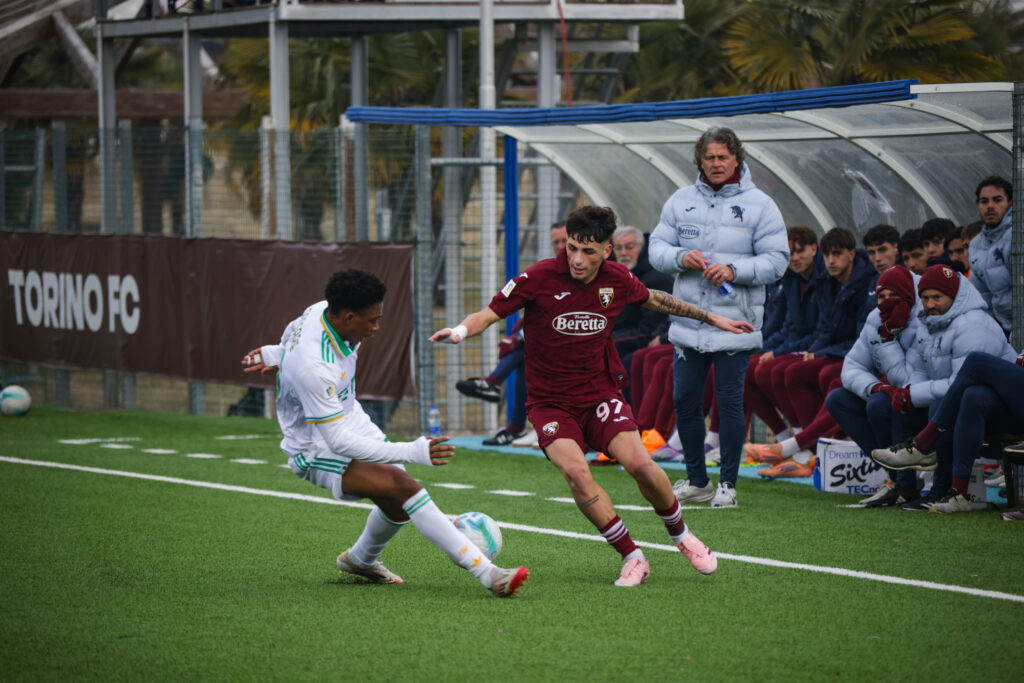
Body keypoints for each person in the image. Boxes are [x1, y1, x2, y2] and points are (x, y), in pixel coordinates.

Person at [431, 205, 754, 586]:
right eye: (571, 248)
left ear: (607, 250)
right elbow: (488, 313)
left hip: (601, 394)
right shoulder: (537, 278)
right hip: (550, 403)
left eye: (588, 251)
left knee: (640, 465)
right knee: (576, 472)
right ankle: (632, 556)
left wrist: (714, 318)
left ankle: (682, 536)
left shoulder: (617, 279)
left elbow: (658, 299)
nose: (577, 259)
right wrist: (459, 332)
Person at [242, 269, 529, 597]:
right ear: (348, 317)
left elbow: (292, 335)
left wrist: (277, 355)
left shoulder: (322, 310)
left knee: (397, 502)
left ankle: (360, 560)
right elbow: (337, 442)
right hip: (314, 445)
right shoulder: (314, 368)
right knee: (405, 486)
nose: (377, 327)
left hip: (347, 416)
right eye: (371, 320)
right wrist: (412, 450)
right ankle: (488, 574)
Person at [648, 126, 789, 506]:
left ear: (736, 160)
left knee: (728, 403)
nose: (715, 164)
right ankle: (698, 481)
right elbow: (656, 248)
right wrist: (680, 257)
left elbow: (778, 262)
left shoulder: (761, 204)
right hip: (688, 323)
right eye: (709, 157)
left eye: (722, 157)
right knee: (684, 401)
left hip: (736, 324)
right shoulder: (680, 200)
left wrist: (732, 269)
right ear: (700, 161)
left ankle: (728, 484)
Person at [870, 264, 1017, 510]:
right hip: (962, 401)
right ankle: (905, 487)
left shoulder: (973, 324)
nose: (929, 304)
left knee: (952, 401)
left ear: (955, 297)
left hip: (1002, 406)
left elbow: (961, 382)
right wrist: (907, 392)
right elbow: (918, 369)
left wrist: (913, 395)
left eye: (937, 297)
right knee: (893, 405)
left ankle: (942, 488)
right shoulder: (930, 322)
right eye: (925, 297)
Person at [746, 228, 874, 478]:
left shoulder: (859, 282)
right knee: (743, 368)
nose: (831, 261)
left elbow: (856, 335)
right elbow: (805, 327)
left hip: (853, 356)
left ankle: (803, 449)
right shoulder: (804, 280)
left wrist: (814, 351)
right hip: (828, 349)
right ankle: (798, 447)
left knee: (809, 374)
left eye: (836, 254)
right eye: (829, 255)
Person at [456, 222, 568, 445]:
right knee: (523, 351)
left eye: (564, 241)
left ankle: (495, 386)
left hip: (580, 336)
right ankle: (516, 425)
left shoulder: (592, 272)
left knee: (523, 345)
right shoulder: (546, 271)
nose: (560, 246)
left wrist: (520, 336)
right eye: (556, 242)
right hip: (552, 336)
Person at [824, 265, 922, 507]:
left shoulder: (925, 316)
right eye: (881, 296)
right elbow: (851, 367)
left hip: (926, 398)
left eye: (894, 295)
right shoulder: (875, 319)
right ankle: (893, 479)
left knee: (880, 405)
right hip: (897, 395)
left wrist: (887, 338)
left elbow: (906, 379)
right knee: (837, 398)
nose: (887, 302)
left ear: (909, 294)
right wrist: (878, 387)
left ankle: (906, 485)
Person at [969, 175, 1013, 337]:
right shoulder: (975, 245)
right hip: (1001, 328)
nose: (990, 206)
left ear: (1010, 203)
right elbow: (981, 296)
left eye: (997, 200)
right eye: (984, 201)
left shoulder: (1017, 236)